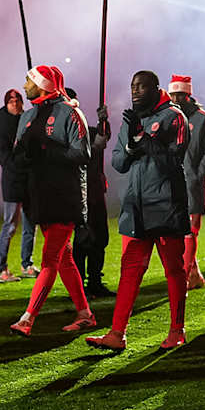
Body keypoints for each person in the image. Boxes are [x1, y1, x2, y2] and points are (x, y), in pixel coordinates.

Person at [86, 71, 189, 351]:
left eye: (141, 86)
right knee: (130, 271)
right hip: (136, 207)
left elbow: (173, 161)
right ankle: (117, 334)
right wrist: (132, 142)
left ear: (156, 88)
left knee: (174, 270)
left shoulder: (174, 117)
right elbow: (119, 162)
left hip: (166, 205)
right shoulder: (133, 119)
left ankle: (177, 330)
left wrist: (144, 139)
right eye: (132, 85)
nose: (135, 90)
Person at [9, 66, 95, 336]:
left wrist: (46, 149)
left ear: (43, 84)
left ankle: (27, 318)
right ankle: (85, 314)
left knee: (49, 259)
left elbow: (82, 154)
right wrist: (23, 153)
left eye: (28, 81)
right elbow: (19, 155)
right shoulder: (28, 116)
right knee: (64, 257)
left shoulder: (71, 113)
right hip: (40, 196)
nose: (24, 86)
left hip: (65, 196)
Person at [67, 87, 116, 299]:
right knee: (81, 239)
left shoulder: (89, 130)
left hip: (95, 192)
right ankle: (78, 286)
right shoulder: (64, 134)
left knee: (100, 238)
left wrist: (104, 121)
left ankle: (95, 280)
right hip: (76, 193)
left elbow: (103, 138)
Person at [167, 75, 205, 290]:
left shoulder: (202, 118)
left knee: (190, 230)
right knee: (177, 231)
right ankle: (193, 273)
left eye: (180, 95)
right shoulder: (167, 116)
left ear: (188, 95)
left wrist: (198, 173)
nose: (176, 99)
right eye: (173, 94)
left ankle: (185, 276)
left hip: (193, 183)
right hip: (171, 182)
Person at [0, 88, 37, 282]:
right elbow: (5, 159)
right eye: (11, 100)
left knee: (30, 225)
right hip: (13, 183)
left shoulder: (29, 123)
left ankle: (26, 264)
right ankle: (0, 268)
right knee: (9, 226)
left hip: (30, 182)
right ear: (6, 104)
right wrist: (25, 160)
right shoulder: (2, 130)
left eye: (18, 99)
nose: (15, 103)